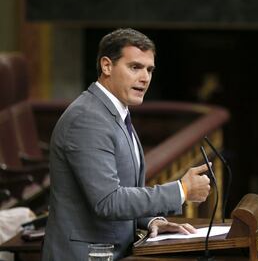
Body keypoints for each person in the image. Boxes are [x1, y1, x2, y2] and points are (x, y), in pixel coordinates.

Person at [42, 28, 211, 261]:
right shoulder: (88, 118)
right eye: (135, 67)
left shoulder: (114, 112)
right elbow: (107, 201)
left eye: (149, 69)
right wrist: (181, 190)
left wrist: (151, 221)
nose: (145, 78)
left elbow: (120, 193)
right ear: (107, 66)